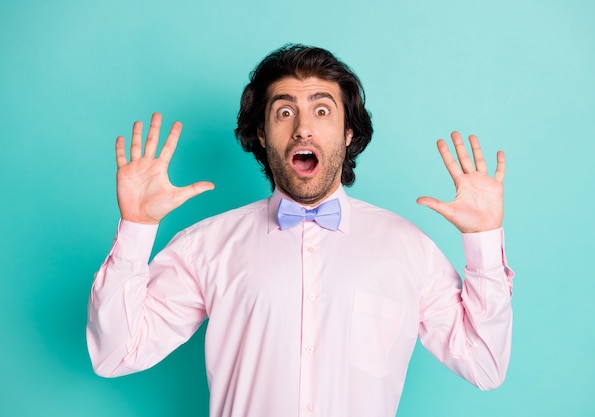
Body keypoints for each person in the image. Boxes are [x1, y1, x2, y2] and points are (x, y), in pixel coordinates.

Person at [87, 44, 514, 417]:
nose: (303, 128)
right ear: (262, 133)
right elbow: (115, 353)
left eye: (322, 110)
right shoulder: (207, 246)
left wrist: (483, 242)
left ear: (348, 133)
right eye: (284, 111)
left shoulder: (407, 248)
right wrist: (136, 229)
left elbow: (485, 364)